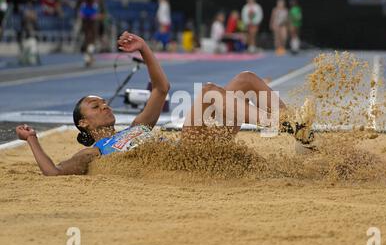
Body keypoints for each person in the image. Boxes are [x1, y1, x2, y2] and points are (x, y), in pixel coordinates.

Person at [15, 31, 315, 176]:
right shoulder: (93, 152)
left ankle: (300, 133)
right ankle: (283, 124)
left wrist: (144, 47)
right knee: (210, 90)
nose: (105, 106)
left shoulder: (136, 126)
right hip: (186, 155)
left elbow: (162, 87)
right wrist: (32, 140)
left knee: (246, 78)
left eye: (104, 102)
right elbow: (53, 173)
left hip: (203, 147)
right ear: (83, 123)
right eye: (95, 107)